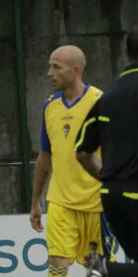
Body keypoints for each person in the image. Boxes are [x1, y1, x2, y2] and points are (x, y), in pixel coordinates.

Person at [29, 45, 112, 277]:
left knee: (98, 270)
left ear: (75, 70)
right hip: (60, 203)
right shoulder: (50, 106)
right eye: (49, 66)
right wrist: (36, 200)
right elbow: (45, 156)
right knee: (57, 268)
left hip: (96, 205)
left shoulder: (101, 102)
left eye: (56, 67)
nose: (49, 73)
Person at [75, 28, 138, 277]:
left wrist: (110, 177)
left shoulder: (106, 97)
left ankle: (104, 269)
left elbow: (82, 153)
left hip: (112, 197)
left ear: (125, 52)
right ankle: (107, 269)